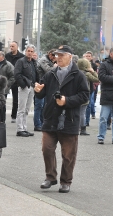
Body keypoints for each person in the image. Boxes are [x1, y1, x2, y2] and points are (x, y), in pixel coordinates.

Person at [33, 45, 89, 193]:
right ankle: (50, 177)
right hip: (51, 118)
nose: (58, 57)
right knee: (47, 149)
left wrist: (67, 101)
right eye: (57, 55)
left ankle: (66, 181)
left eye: (62, 55)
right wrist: (38, 91)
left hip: (69, 120)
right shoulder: (51, 73)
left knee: (68, 155)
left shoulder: (78, 75)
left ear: (70, 56)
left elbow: (85, 96)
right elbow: (42, 92)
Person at [13, 44, 37, 137]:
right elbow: (17, 74)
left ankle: (24, 128)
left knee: (27, 109)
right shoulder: (21, 61)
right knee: (21, 109)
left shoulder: (33, 62)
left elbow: (35, 74)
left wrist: (36, 84)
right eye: (28, 51)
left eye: (31, 51)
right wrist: (23, 85)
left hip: (32, 87)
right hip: (24, 87)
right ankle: (19, 129)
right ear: (25, 51)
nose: (30, 53)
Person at [35, 49, 56, 131]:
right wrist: (55, 66)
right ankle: (37, 124)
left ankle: (43, 122)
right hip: (40, 84)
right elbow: (48, 71)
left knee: (45, 105)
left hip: (47, 85)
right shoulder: (44, 60)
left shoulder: (50, 60)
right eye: (54, 56)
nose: (54, 58)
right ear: (50, 54)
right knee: (39, 106)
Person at [77, 58, 98, 135]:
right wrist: (93, 72)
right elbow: (97, 79)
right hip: (85, 94)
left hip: (76, 94)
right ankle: (83, 129)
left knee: (77, 112)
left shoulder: (76, 72)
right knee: (82, 112)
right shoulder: (87, 74)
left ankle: (77, 127)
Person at [5, 41, 25, 123]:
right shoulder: (7, 56)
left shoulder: (21, 57)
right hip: (7, 80)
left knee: (16, 100)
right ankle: (1, 116)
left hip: (16, 81)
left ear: (17, 47)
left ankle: (14, 116)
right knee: (3, 98)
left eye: (13, 46)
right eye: (10, 46)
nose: (11, 47)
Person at [0, 51, 15, 123]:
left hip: (3, 88)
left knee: (2, 104)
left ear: (2, 57)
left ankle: (2, 120)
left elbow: (13, 76)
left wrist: (7, 85)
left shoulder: (8, 65)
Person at [83, 51, 99, 126]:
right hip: (82, 87)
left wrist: (95, 86)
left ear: (91, 57)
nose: (88, 57)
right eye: (86, 56)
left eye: (89, 56)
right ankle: (82, 121)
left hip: (90, 88)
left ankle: (87, 121)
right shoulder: (81, 65)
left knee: (89, 104)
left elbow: (96, 77)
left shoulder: (94, 66)